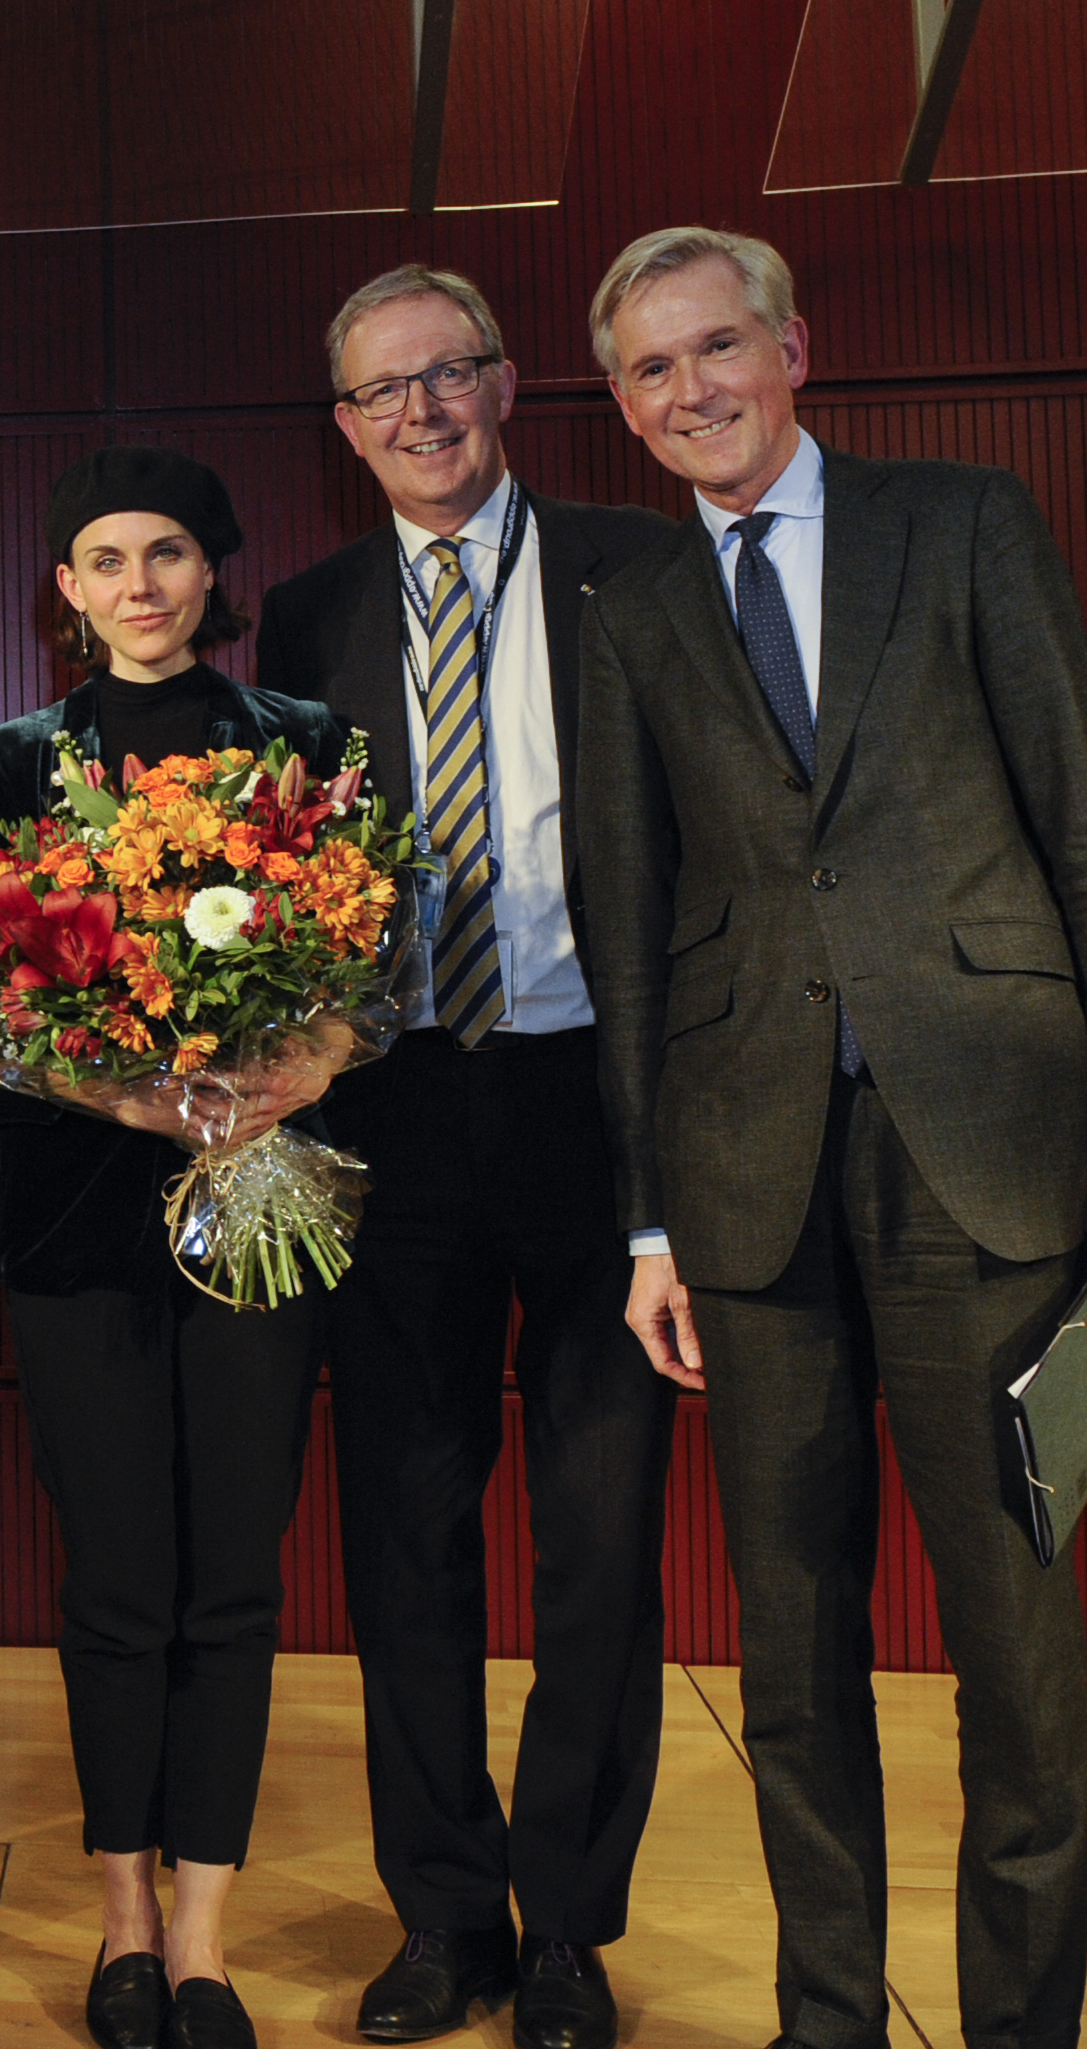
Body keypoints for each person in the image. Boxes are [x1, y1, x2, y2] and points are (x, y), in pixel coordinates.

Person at [577, 226, 1087, 2049]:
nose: (689, 391)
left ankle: (1027, 2026)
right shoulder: (628, 609)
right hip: (745, 1184)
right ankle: (825, 2020)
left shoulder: (961, 523)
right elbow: (631, 934)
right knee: (791, 1647)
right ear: (623, 409)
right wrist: (648, 1223)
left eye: (717, 349)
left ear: (799, 348)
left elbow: (1079, 819)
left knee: (1021, 1653)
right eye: (649, 370)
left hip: (994, 1157)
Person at [252, 267, 680, 2049]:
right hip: (392, 1107)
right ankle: (448, 1915)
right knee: (407, 1535)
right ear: (345, 429)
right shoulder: (304, 617)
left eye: (450, 375)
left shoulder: (635, 567)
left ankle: (571, 1923)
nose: (421, 412)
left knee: (602, 1535)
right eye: (381, 393)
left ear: (507, 387)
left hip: (601, 1105)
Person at [0, 446, 343, 2049]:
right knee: (116, 1579)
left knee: (234, 1580)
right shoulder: (8, 760)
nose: (138, 583)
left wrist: (300, 1064)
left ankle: (203, 1939)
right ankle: (122, 1912)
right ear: (65, 586)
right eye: (104, 557)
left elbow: (370, 956)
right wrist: (125, 1094)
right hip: (75, 1214)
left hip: (258, 1200)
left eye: (168, 551)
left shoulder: (306, 748)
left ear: (214, 570)